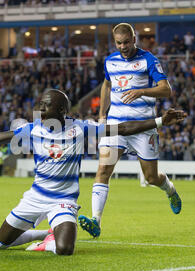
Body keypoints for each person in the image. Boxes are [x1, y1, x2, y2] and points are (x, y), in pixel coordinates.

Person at [0, 89, 187, 256]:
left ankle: (55, 234)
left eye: (46, 106)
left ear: (62, 111)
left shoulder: (82, 129)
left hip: (63, 201)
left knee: (65, 250)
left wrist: (160, 121)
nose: (40, 110)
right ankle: (45, 234)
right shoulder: (33, 129)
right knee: (0, 244)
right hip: (34, 197)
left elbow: (123, 128)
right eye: (40, 105)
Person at [78, 23, 182, 239]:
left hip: (144, 127)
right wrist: (102, 114)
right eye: (119, 43)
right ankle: (96, 220)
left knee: (151, 177)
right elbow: (107, 85)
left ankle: (170, 190)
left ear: (134, 39)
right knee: (103, 171)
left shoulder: (148, 60)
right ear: (114, 42)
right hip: (116, 126)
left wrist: (141, 90)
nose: (123, 46)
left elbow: (166, 89)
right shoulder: (110, 61)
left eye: (127, 42)